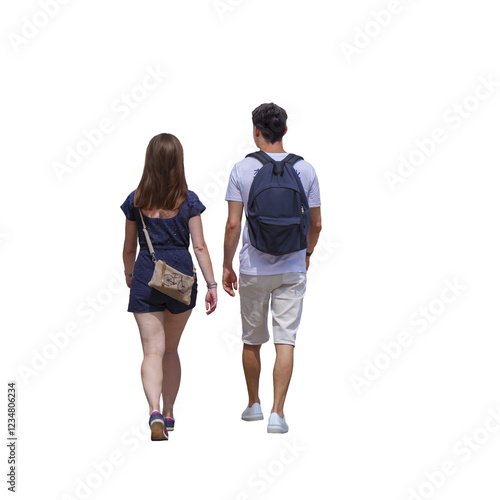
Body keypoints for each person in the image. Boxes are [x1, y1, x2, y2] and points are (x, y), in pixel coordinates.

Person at [223, 103, 322, 433]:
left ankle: (254, 405)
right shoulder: (305, 170)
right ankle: (278, 414)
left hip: (253, 267)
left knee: (252, 340)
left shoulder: (241, 169)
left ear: (255, 131)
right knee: (285, 341)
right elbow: (317, 224)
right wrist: (306, 254)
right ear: (285, 131)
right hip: (292, 266)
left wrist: (226, 265)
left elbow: (233, 225)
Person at [121, 133, 217, 441]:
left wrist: (129, 274)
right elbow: (200, 246)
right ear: (179, 161)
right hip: (180, 278)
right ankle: (171, 412)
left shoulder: (136, 200)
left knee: (152, 351)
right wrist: (212, 283)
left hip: (147, 275)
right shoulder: (188, 200)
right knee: (171, 350)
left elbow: (128, 248)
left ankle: (154, 412)